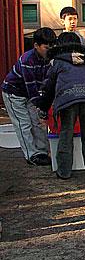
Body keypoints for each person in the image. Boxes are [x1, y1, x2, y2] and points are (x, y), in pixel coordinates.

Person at [33, 32, 85, 179]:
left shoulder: (57, 62)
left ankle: (64, 172)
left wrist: (43, 108)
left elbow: (49, 87)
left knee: (66, 134)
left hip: (68, 99)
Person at [2, 28, 56, 166]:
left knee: (37, 122)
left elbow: (46, 83)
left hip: (30, 94)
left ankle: (42, 152)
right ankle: (31, 155)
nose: (49, 50)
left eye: (52, 47)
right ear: (36, 46)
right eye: (46, 47)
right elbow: (31, 87)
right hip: (14, 93)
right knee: (23, 124)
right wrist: (42, 105)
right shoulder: (27, 60)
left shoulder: (48, 59)